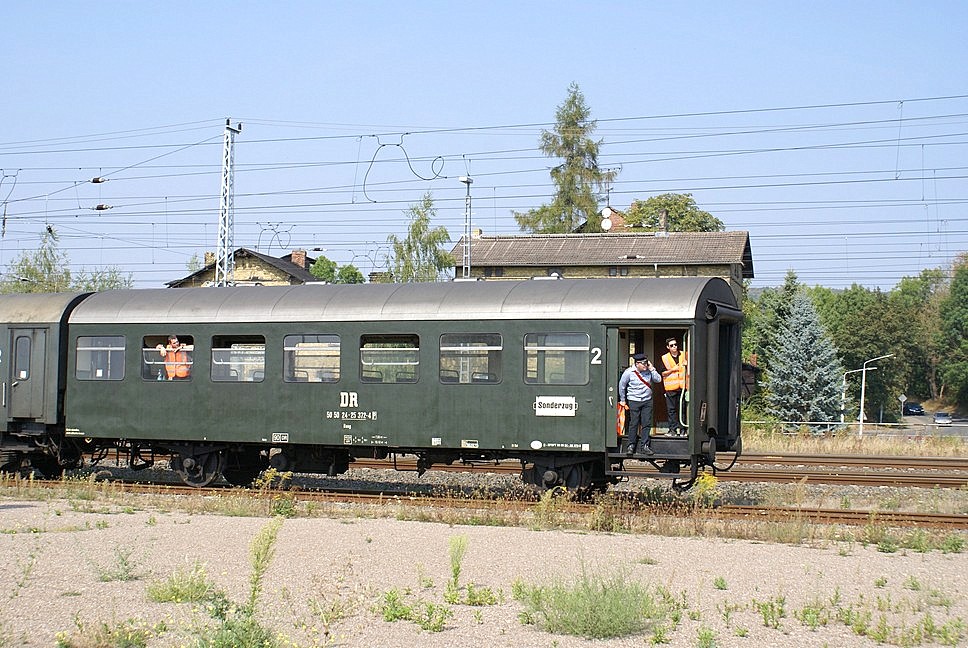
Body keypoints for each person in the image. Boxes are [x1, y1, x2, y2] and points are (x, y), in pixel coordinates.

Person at [618, 352, 662, 456]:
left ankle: (645, 446)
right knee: (634, 423)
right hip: (634, 400)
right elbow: (622, 386)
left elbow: (658, 379)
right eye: (643, 364)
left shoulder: (649, 370)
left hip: (647, 400)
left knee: (646, 423)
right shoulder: (629, 372)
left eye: (646, 363)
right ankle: (631, 445)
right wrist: (623, 400)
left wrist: (652, 369)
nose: (645, 365)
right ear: (637, 364)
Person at [660, 337, 688, 437]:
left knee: (683, 409)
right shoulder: (665, 358)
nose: (674, 347)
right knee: (671, 410)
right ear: (668, 347)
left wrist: (687, 364)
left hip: (683, 387)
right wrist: (673, 370)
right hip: (671, 388)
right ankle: (673, 430)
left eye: (675, 344)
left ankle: (683, 430)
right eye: (671, 345)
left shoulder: (684, 355)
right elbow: (662, 373)